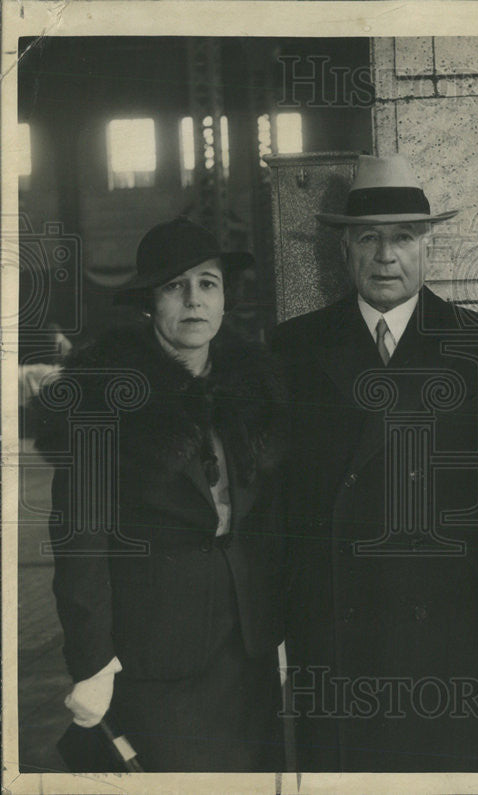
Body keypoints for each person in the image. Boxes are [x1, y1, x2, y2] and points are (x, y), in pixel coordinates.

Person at [273, 154, 478, 773]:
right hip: (340, 631)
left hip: (455, 632)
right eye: (369, 238)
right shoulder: (294, 348)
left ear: (428, 245)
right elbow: (279, 501)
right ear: (344, 250)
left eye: (404, 237)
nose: (386, 255)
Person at [33, 217, 287, 771]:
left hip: (248, 655)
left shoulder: (255, 387)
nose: (194, 300)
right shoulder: (103, 397)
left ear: (224, 299)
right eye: (175, 286)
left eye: (208, 284)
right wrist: (93, 664)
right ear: (150, 303)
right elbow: (81, 541)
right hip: (155, 659)